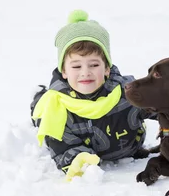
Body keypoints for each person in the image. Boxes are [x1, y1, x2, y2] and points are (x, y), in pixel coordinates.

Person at [31, 10, 153, 181]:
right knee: (42, 113)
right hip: (61, 112)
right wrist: (80, 160)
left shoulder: (126, 92)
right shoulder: (57, 110)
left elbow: (160, 104)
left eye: (94, 64)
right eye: (76, 67)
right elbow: (62, 147)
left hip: (131, 147)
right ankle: (38, 96)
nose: (85, 73)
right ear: (64, 71)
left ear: (107, 68)